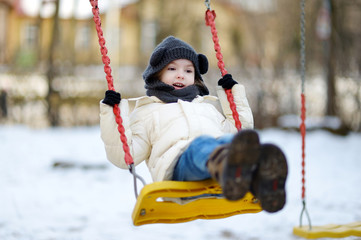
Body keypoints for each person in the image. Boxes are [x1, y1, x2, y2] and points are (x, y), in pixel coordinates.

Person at [100, 36, 288, 213]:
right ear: (156, 74)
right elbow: (126, 157)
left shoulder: (206, 107)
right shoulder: (147, 112)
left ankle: (261, 180)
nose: (181, 75)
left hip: (218, 179)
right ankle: (230, 166)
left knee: (232, 141)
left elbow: (240, 132)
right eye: (172, 69)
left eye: (188, 70)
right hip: (179, 173)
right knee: (200, 146)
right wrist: (111, 113)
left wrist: (232, 95)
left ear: (195, 76)